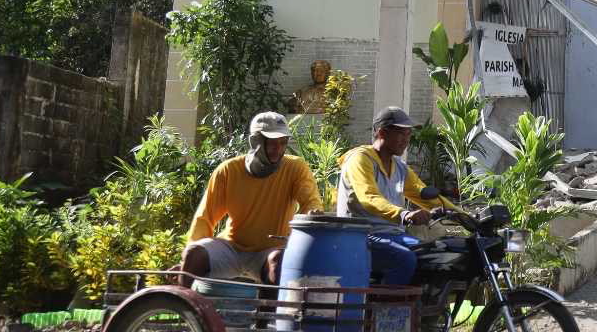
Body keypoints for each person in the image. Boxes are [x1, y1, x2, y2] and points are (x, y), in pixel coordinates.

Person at [182, 111, 322, 285]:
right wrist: (186, 261)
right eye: (271, 143)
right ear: (254, 142)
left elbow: (311, 202)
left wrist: (313, 212)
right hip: (231, 247)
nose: (278, 149)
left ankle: (270, 313)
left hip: (269, 252)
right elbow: (205, 218)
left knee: (278, 261)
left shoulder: (295, 168)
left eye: (283, 143)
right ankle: (184, 310)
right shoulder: (228, 170)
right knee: (194, 253)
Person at [336, 106, 457, 285]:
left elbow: (423, 193)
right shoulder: (361, 159)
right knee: (404, 258)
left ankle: (425, 307)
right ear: (382, 133)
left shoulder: (399, 167)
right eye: (402, 133)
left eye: (409, 134)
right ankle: (389, 311)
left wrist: (463, 216)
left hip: (392, 235)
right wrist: (404, 214)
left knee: (434, 255)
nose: (406, 140)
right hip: (361, 236)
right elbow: (368, 197)